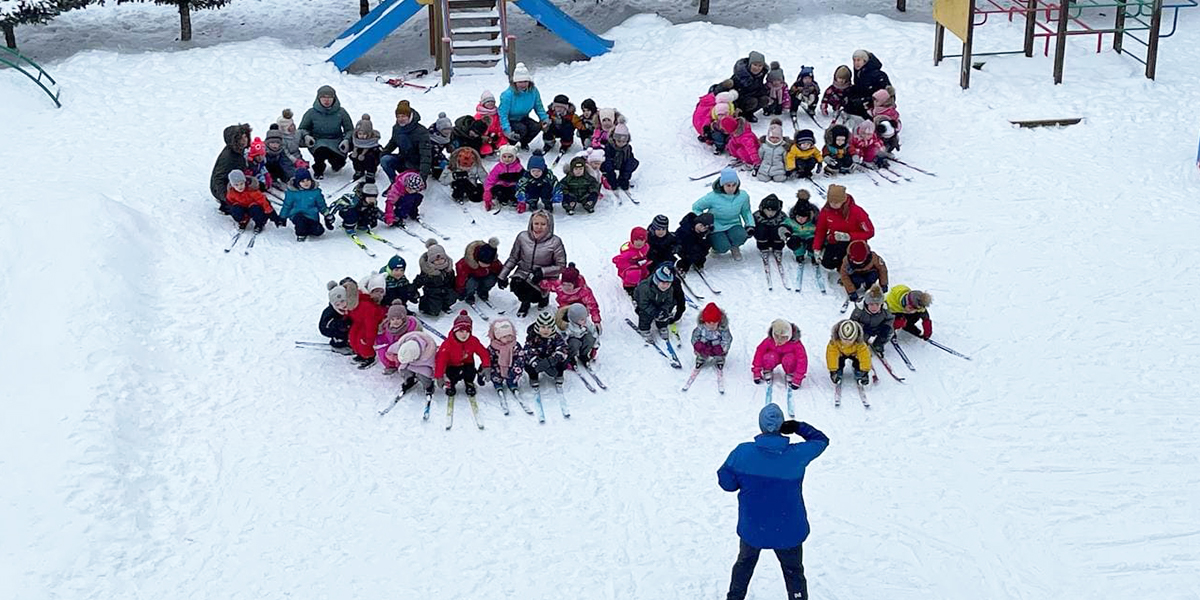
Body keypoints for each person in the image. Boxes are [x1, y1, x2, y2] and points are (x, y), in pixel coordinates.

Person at [718, 404, 829, 600]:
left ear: (760, 426)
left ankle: (734, 597)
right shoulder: (797, 454)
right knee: (794, 571)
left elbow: (727, 484)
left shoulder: (742, 452)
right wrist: (797, 427)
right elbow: (821, 440)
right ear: (781, 426)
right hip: (789, 529)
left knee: (744, 564)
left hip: (753, 528)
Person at [498, 210, 567, 317]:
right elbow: (513, 258)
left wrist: (543, 272)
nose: (539, 227)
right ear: (531, 223)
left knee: (535, 294)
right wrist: (502, 275)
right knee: (518, 286)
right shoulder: (522, 237)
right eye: (536, 223)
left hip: (543, 277)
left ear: (549, 225)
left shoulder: (555, 242)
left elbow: (561, 266)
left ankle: (543, 297)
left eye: (543, 224)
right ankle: (525, 303)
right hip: (523, 272)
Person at [693, 168, 754, 260]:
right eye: (728, 185)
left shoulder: (743, 196)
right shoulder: (712, 197)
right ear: (722, 185)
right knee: (722, 246)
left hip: (733, 223)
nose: (731, 188)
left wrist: (750, 224)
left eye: (734, 185)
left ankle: (734, 247)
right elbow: (696, 207)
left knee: (741, 235)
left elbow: (746, 211)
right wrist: (703, 221)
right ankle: (716, 248)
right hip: (716, 226)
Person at [812, 184, 874, 271]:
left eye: (836, 202)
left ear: (843, 200)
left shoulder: (857, 212)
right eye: (831, 202)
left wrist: (849, 236)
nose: (833, 205)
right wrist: (816, 248)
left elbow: (870, 232)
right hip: (836, 241)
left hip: (854, 242)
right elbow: (821, 230)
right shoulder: (826, 211)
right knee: (827, 264)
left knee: (854, 265)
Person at [297, 85, 353, 179]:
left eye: (329, 97)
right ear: (318, 98)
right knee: (321, 152)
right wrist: (307, 136)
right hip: (318, 141)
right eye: (323, 97)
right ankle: (319, 169)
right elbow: (302, 129)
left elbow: (350, 129)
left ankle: (337, 162)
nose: (326, 100)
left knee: (338, 163)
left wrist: (346, 140)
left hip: (337, 141)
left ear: (334, 98)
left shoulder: (341, 112)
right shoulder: (311, 113)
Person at [434, 310, 491, 398]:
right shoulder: (447, 344)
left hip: (467, 363)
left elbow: (483, 353)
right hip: (452, 364)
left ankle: (469, 383)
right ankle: (450, 384)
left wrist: (486, 365)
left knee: (470, 372)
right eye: (461, 331)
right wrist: (439, 376)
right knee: (451, 374)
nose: (464, 334)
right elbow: (440, 360)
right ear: (455, 331)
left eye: (467, 332)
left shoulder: (473, 341)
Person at [380, 100, 432, 185]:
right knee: (385, 160)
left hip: (416, 165)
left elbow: (425, 155)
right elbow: (392, 143)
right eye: (398, 116)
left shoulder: (421, 131)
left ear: (409, 116)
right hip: (403, 160)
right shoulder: (397, 128)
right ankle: (394, 182)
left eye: (403, 116)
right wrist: (382, 155)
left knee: (409, 185)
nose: (401, 119)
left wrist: (423, 178)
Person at [499, 62, 549, 149]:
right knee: (522, 129)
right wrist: (507, 130)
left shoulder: (533, 91)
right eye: (520, 82)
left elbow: (538, 106)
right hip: (510, 120)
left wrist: (544, 119)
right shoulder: (508, 95)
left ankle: (524, 142)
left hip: (523, 117)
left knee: (536, 127)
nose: (523, 84)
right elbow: (502, 114)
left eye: (525, 81)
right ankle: (510, 145)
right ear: (515, 82)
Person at [539, 263, 601, 330]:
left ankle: (582, 328)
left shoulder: (583, 291)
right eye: (564, 284)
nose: (566, 287)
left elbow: (592, 305)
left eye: (569, 285)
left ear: (575, 284)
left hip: (579, 309)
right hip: (565, 308)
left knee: (578, 321)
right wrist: (537, 279)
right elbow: (547, 284)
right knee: (560, 320)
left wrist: (596, 321)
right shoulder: (559, 287)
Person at [752, 319, 808, 389]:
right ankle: (767, 369)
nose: (779, 340)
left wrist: (798, 378)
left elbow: (802, 359)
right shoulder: (769, 340)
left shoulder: (796, 344)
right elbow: (759, 352)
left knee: (789, 359)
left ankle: (790, 372)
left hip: (788, 358)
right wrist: (756, 371)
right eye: (776, 336)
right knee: (769, 357)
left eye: (783, 337)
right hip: (774, 356)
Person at [349, 273, 389, 368]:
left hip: (368, 326)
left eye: (381, 292)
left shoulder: (372, 305)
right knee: (354, 339)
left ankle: (369, 357)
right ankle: (360, 354)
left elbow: (372, 323)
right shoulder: (365, 302)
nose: (379, 295)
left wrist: (369, 338)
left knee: (363, 342)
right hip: (361, 324)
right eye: (376, 291)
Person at [522, 310, 569, 389]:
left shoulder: (556, 336)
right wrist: (537, 362)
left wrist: (552, 360)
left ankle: (559, 374)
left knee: (565, 357)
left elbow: (563, 348)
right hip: (538, 359)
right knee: (527, 362)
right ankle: (533, 377)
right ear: (538, 327)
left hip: (552, 358)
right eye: (543, 327)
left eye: (549, 327)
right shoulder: (532, 337)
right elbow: (528, 351)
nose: (546, 330)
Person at [279, 167, 328, 242]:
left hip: (311, 216)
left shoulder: (315, 192)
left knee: (318, 231)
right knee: (301, 222)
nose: (306, 183)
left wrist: (326, 214)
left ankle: (309, 228)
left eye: (307, 180)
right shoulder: (292, 192)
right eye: (302, 181)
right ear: (298, 182)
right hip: (297, 214)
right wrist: (282, 217)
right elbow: (287, 205)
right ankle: (301, 234)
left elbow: (321, 205)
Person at [209, 123, 251, 210]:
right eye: (240, 138)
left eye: (245, 137)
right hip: (225, 188)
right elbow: (218, 179)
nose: (244, 140)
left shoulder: (239, 151)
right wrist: (226, 197)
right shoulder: (228, 157)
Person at [374, 301, 422, 375]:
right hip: (392, 349)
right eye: (392, 319)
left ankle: (407, 369)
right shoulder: (387, 327)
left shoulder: (410, 328)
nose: (395, 321)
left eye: (398, 319)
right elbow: (384, 338)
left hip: (404, 348)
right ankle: (391, 366)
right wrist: (378, 341)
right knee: (382, 351)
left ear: (403, 319)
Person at [633, 264, 677, 342]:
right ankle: (644, 329)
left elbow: (669, 301)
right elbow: (643, 303)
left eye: (668, 283)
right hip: (645, 304)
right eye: (663, 283)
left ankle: (662, 326)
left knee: (664, 314)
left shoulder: (669, 289)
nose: (666, 286)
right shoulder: (645, 288)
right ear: (657, 281)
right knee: (645, 315)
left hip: (660, 303)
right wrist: (654, 312)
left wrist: (664, 309)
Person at [413, 239, 458, 316]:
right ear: (431, 261)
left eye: (442, 259)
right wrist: (413, 290)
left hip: (445, 290)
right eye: (436, 260)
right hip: (432, 293)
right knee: (434, 310)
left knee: (452, 296)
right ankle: (425, 306)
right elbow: (418, 282)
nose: (440, 261)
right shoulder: (428, 272)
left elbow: (452, 281)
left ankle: (445, 305)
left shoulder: (448, 270)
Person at [388, 329, 440, 396]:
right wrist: (395, 358)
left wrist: (436, 375)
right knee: (403, 370)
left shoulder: (429, 353)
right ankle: (409, 380)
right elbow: (389, 352)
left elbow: (435, 365)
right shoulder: (401, 344)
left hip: (423, 365)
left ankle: (428, 386)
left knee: (424, 375)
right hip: (408, 364)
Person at [845, 49, 892, 119]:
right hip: (866, 102)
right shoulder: (859, 73)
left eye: (858, 60)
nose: (856, 63)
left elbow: (887, 95)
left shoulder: (878, 75)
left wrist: (865, 100)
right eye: (854, 60)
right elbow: (860, 88)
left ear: (865, 61)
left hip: (878, 106)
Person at [455, 237, 502, 306]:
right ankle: (469, 295)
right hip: (472, 279)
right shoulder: (466, 263)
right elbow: (461, 278)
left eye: (487, 264)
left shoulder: (494, 262)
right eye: (483, 263)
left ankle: (483, 291)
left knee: (491, 279)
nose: (485, 266)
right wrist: (460, 290)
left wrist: (502, 279)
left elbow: (500, 269)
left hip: (485, 276)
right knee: (471, 283)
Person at [827, 319, 872, 386]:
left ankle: (859, 372)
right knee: (838, 361)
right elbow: (831, 356)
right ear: (839, 336)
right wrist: (833, 370)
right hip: (841, 353)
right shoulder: (834, 342)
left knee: (859, 361)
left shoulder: (860, 343)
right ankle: (838, 371)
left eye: (850, 339)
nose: (847, 342)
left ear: (855, 337)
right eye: (844, 339)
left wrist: (865, 371)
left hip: (854, 354)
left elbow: (865, 357)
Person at [728, 50, 770, 121]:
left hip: (751, 96)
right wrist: (736, 106)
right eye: (755, 65)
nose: (757, 68)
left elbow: (759, 86)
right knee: (753, 101)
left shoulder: (760, 75)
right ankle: (741, 114)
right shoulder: (740, 75)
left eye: (760, 66)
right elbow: (732, 93)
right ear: (750, 64)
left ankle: (749, 114)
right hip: (739, 100)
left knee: (764, 99)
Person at [486, 318, 525, 393]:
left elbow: (521, 356)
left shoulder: (515, 345)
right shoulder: (494, 346)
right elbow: (488, 357)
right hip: (498, 366)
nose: (508, 338)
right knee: (495, 372)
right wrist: (484, 368)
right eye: (504, 336)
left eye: (510, 336)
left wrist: (517, 366)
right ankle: (497, 382)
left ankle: (512, 382)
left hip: (511, 365)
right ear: (498, 337)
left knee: (514, 372)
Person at [851, 285, 893, 355]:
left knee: (889, 330)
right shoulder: (859, 310)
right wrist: (863, 327)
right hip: (865, 329)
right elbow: (852, 321)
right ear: (867, 304)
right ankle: (861, 346)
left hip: (878, 327)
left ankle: (878, 344)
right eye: (871, 304)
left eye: (877, 304)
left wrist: (886, 326)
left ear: (881, 304)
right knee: (861, 337)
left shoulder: (885, 310)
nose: (874, 307)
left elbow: (890, 318)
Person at [612, 227, 652, 298]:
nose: (639, 243)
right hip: (630, 273)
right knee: (634, 273)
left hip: (642, 271)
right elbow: (616, 260)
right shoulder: (628, 253)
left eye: (641, 240)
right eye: (636, 240)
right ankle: (630, 288)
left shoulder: (646, 248)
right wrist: (632, 264)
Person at [556, 303, 598, 369]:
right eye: (582, 319)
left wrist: (595, 347)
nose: (585, 320)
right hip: (572, 341)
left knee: (590, 338)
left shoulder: (586, 323)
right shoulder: (568, 326)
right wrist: (564, 352)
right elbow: (563, 340)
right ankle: (571, 357)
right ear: (574, 319)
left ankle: (583, 354)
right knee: (575, 343)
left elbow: (594, 333)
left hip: (582, 337)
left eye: (585, 318)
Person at [483, 145, 524, 211]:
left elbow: (523, 181)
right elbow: (491, 179)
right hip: (502, 186)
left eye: (509, 157)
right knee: (498, 189)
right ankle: (502, 199)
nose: (507, 159)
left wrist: (522, 200)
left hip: (513, 186)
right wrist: (488, 191)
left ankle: (514, 200)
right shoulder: (498, 167)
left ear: (514, 157)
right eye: (504, 156)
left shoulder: (518, 167)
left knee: (515, 189)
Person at [691, 302, 731, 370]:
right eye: (709, 323)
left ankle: (719, 359)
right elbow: (695, 337)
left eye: (714, 323)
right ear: (704, 321)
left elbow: (727, 340)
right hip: (705, 345)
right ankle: (701, 358)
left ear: (719, 321)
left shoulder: (722, 329)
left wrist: (723, 349)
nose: (711, 325)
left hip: (717, 345)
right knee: (701, 349)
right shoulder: (701, 327)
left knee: (718, 353)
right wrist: (696, 346)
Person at [784, 190, 819, 264]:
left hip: (810, 236)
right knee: (794, 241)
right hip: (797, 236)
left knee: (813, 242)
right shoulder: (791, 221)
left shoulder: (814, 222)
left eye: (803, 217)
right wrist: (786, 232)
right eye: (798, 217)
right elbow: (783, 227)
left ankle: (813, 255)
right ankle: (799, 254)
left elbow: (822, 230)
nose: (800, 219)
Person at [601, 124, 639, 191]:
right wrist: (611, 176)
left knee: (633, 162)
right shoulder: (609, 147)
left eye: (624, 142)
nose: (621, 143)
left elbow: (629, 162)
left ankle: (622, 178)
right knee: (605, 164)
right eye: (619, 141)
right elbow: (607, 162)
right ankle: (608, 177)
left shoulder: (628, 148)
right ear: (614, 139)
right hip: (611, 165)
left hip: (621, 164)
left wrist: (624, 177)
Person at [319, 281, 354, 354]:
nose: (342, 305)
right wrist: (339, 325)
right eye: (337, 304)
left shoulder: (350, 307)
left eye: (343, 301)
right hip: (332, 329)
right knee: (340, 333)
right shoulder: (330, 313)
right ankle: (337, 345)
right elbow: (325, 326)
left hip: (346, 326)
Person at [348, 114, 382, 183]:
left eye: (364, 134)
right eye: (360, 134)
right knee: (355, 157)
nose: (362, 136)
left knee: (370, 157)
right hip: (360, 157)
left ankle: (370, 172)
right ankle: (359, 170)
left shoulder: (372, 142)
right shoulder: (356, 141)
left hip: (370, 157)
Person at [472, 90, 505, 156]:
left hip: (496, 135)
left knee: (503, 142)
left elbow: (499, 124)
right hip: (485, 136)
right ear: (483, 103)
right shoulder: (479, 115)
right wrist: (486, 135)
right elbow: (476, 128)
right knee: (486, 149)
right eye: (488, 101)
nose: (490, 103)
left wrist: (498, 133)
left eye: (492, 101)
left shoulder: (497, 114)